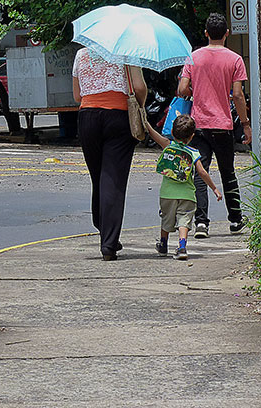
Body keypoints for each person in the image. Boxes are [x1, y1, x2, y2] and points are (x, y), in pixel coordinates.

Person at [177, 13, 251, 238]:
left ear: (206, 33)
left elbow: (182, 89)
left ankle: (201, 223)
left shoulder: (193, 57)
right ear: (226, 34)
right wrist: (245, 125)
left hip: (198, 125)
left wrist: (195, 92)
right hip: (223, 125)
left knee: (200, 172)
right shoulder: (235, 59)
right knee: (228, 172)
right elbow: (238, 95)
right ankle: (236, 220)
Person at [72, 47, 146, 260]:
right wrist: (142, 104)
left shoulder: (81, 54)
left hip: (87, 117)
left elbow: (78, 95)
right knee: (113, 179)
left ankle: (103, 227)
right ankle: (109, 243)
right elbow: (139, 87)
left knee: (98, 177)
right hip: (118, 117)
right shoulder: (128, 52)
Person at [145, 114, 221, 260]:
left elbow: (153, 134)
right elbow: (202, 173)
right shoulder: (194, 153)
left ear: (172, 132)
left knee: (166, 219)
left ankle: (163, 245)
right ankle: (182, 247)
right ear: (192, 136)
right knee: (184, 221)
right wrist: (214, 188)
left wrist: (145, 122)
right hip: (187, 194)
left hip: (167, 194)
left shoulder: (167, 145)